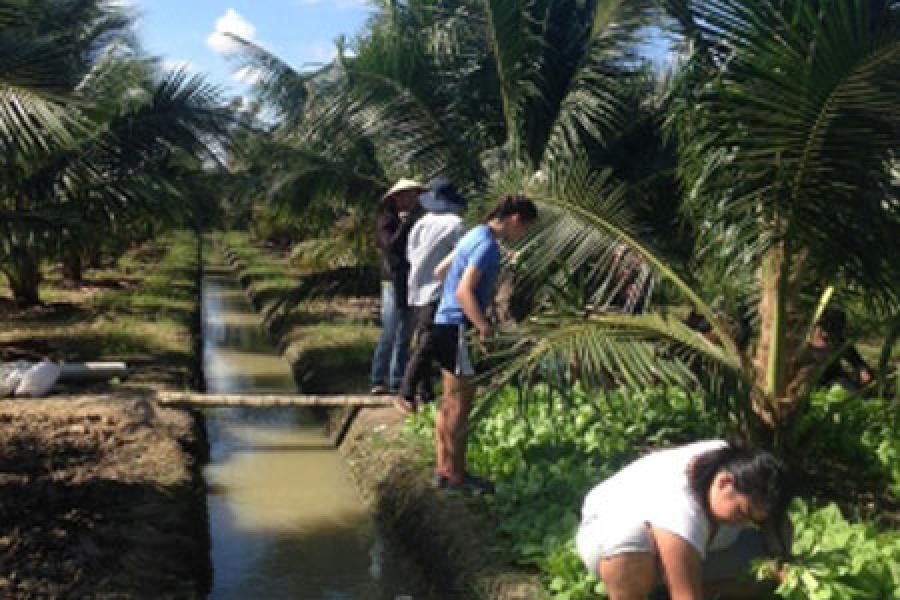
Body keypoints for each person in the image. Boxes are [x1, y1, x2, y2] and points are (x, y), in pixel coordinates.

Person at [575, 439, 792, 600]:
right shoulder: (681, 509)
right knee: (628, 543)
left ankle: (666, 593)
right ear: (725, 483)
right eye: (743, 513)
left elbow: (774, 519)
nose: (744, 523)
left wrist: (781, 556)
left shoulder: (736, 463)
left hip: (695, 547)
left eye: (753, 520)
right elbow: (685, 596)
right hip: (610, 534)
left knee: (767, 570)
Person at [430, 195, 538, 494]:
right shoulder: (487, 246)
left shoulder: (473, 235)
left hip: (444, 323)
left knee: (449, 402)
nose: (522, 237)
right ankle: (457, 477)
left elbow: (440, 271)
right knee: (462, 407)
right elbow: (465, 292)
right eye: (525, 230)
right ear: (515, 220)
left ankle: (443, 469)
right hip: (459, 328)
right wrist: (484, 328)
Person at [395, 177, 467, 413]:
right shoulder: (455, 224)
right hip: (438, 291)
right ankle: (406, 392)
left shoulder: (420, 224)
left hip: (417, 290)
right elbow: (466, 255)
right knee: (428, 343)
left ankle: (426, 394)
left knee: (425, 339)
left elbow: (409, 256)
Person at [370, 178, 425, 395]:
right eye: (407, 194)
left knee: (405, 334)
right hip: (393, 281)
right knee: (390, 331)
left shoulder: (420, 219)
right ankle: (377, 379)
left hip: (412, 280)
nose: (411, 198)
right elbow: (390, 245)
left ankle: (397, 382)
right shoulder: (387, 220)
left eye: (414, 194)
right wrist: (404, 224)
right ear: (396, 198)